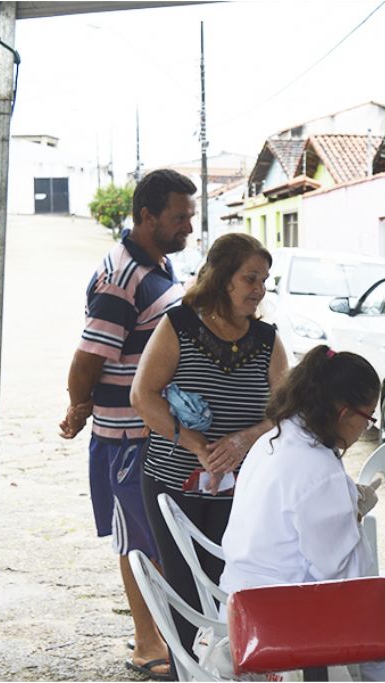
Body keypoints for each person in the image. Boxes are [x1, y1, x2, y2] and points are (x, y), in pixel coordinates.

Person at [59, 168, 197, 680]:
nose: (188, 225)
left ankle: (164, 635)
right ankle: (147, 645)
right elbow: (87, 357)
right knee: (138, 542)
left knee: (162, 540)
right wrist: (78, 405)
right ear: (147, 216)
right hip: (126, 438)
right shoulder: (122, 278)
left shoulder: (156, 266)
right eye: (179, 216)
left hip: (154, 432)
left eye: (190, 216)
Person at [219, 345, 385, 681]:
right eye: (368, 417)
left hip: (244, 595)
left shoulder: (276, 436)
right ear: (345, 413)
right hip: (280, 619)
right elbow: (348, 581)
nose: (366, 428)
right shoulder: (318, 468)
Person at [131, 233, 288, 661]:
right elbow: (143, 395)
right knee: (184, 586)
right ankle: (188, 668)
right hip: (173, 480)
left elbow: (287, 409)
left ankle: (226, 666)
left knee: (231, 580)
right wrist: (195, 444)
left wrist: (243, 440)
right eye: (249, 278)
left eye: (264, 280)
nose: (259, 290)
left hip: (242, 486)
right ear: (222, 279)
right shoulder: (179, 325)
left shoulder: (267, 339)